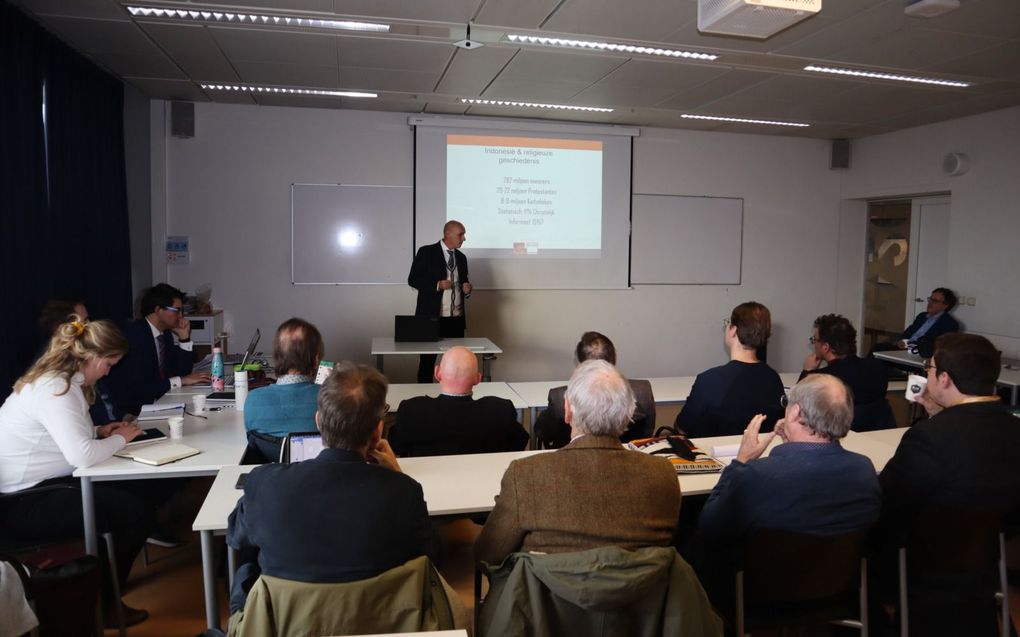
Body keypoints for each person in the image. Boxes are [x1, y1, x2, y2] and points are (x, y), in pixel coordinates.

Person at [227, 362, 436, 612]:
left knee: (246, 567)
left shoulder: (265, 484)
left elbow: (236, 537)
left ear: (318, 420)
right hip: (376, 621)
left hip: (287, 623)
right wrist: (399, 476)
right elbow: (432, 553)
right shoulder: (404, 493)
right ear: (378, 430)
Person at [0, 316, 155, 627]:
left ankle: (101, 593)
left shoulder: (59, 380)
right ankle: (106, 603)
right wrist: (119, 438)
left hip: (38, 487)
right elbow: (81, 456)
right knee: (135, 514)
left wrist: (100, 432)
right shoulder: (56, 388)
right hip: (22, 502)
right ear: (93, 357)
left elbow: (59, 438)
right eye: (109, 363)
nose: (109, 371)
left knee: (132, 499)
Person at [874, 333, 1020, 636]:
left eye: (929, 369)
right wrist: (937, 416)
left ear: (944, 379)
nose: (926, 375)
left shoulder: (929, 438)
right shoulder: (1012, 430)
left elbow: (886, 501)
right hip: (986, 560)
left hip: (923, 565)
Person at [695, 374, 881, 609]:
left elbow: (709, 526)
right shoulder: (864, 470)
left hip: (759, 599)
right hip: (835, 593)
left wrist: (740, 462)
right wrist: (790, 445)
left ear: (794, 413)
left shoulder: (756, 475)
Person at [474, 360, 681, 566]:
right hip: (640, 597)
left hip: (546, 597)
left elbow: (488, 554)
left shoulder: (525, 475)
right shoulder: (662, 474)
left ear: (567, 411)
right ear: (628, 414)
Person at [389, 346, 527, 457]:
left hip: (427, 489)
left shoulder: (412, 410)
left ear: (437, 373)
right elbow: (520, 442)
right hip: (488, 487)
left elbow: (397, 446)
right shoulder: (500, 410)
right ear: (478, 379)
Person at [674, 302, 785, 438]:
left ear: (733, 330)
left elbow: (682, 428)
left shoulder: (709, 380)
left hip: (714, 456)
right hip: (760, 456)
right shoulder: (773, 378)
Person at [533, 331, 656, 448]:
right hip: (628, 458)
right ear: (616, 356)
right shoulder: (643, 391)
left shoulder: (560, 397)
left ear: (579, 363)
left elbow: (544, 432)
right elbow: (647, 432)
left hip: (569, 460)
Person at [105, 283, 209, 418]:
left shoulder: (163, 334)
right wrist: (181, 381)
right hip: (134, 411)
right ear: (158, 310)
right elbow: (141, 389)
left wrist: (184, 338)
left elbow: (181, 373)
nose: (181, 315)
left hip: (160, 402)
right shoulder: (133, 337)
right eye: (176, 310)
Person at [243, 318, 323, 462]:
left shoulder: (252, 400)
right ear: (316, 359)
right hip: (319, 477)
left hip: (270, 478)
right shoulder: (331, 400)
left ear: (276, 357)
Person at [800, 314, 894, 430]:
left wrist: (807, 372)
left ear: (825, 347)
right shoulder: (877, 367)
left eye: (815, 340)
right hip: (879, 437)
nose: (814, 344)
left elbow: (800, 405)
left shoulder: (823, 380)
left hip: (840, 436)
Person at [408, 220, 472, 383]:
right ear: (447, 234)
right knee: (427, 363)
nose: (463, 238)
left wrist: (467, 290)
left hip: (455, 320)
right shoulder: (426, 252)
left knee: (457, 364)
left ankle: (454, 400)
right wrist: (436, 285)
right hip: (431, 319)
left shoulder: (462, 258)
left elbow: (464, 283)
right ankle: (424, 401)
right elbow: (413, 279)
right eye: (461, 234)